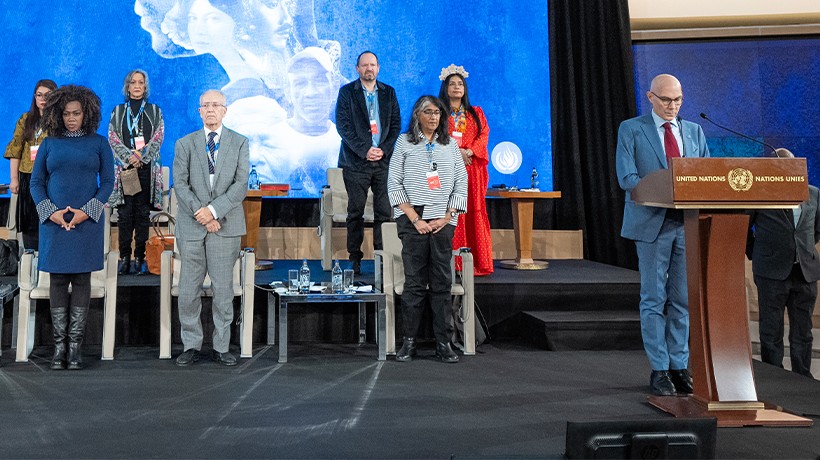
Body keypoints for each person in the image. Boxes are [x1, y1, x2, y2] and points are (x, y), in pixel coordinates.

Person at [615, 74, 709, 396]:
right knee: (654, 299)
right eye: (667, 100)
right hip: (652, 222)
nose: (673, 106)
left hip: (687, 223)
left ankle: (679, 366)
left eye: (679, 100)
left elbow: (706, 176)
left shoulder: (694, 131)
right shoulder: (631, 129)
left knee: (682, 300)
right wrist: (665, 186)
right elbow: (627, 177)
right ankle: (659, 369)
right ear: (650, 97)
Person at [30, 85, 115, 370]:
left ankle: (75, 349)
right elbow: (36, 183)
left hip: (86, 222)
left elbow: (108, 183)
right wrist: (50, 213)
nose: (71, 118)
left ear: (86, 113)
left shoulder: (99, 143)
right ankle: (59, 349)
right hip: (53, 222)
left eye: (76, 113)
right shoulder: (49, 143)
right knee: (56, 279)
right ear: (57, 114)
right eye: (66, 113)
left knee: (81, 279)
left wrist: (86, 213)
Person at [387, 95, 467, 363]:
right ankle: (408, 342)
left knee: (442, 282)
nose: (434, 117)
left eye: (437, 113)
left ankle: (443, 343)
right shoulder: (404, 142)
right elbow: (394, 183)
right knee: (415, 282)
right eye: (428, 112)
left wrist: (447, 217)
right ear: (417, 115)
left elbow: (460, 182)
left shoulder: (450, 145)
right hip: (413, 218)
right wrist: (414, 218)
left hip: (443, 219)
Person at [173, 89, 249, 367]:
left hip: (225, 226)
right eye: (205, 105)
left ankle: (221, 346)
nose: (210, 110)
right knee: (189, 291)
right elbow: (180, 184)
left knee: (223, 290)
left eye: (216, 105)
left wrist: (214, 211)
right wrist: (202, 214)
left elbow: (241, 185)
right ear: (199, 111)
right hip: (193, 227)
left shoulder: (240, 143)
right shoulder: (185, 143)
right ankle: (191, 345)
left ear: (225, 110)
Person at [747, 149, 820, 378]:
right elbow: (743, 230)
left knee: (803, 331)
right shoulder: (759, 194)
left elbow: (816, 228)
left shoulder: (814, 194)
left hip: (805, 272)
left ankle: (802, 376)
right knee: (771, 329)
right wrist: (758, 254)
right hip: (771, 271)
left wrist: (801, 249)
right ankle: (774, 376)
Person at [336, 50, 401, 274]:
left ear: (378, 68)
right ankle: (354, 259)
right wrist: (365, 150)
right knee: (355, 212)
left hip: (383, 162)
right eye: (364, 65)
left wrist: (383, 149)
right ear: (357, 69)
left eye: (372, 65)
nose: (369, 69)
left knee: (384, 213)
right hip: (356, 162)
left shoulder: (388, 92)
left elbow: (395, 126)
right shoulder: (347, 93)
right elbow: (343, 126)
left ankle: (382, 259)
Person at [253, 47, 341, 196]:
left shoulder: (345, 142)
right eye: (300, 83)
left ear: (335, 86)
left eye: (320, 81)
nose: (311, 92)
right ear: (288, 91)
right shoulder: (268, 141)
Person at [108, 69, 165, 275]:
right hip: (126, 170)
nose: (137, 86)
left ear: (146, 86)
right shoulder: (118, 111)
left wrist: (141, 156)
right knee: (125, 215)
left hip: (146, 169)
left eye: (141, 82)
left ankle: (141, 257)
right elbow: (113, 137)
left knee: (142, 215)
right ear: (127, 86)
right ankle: (125, 257)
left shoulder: (155, 111)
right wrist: (129, 157)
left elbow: (158, 137)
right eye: (133, 82)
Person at [438, 64, 493, 276]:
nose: (456, 87)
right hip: (449, 170)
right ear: (445, 87)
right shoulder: (438, 112)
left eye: (460, 84)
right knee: (454, 214)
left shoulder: (476, 113)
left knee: (474, 211)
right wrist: (456, 152)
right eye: (452, 84)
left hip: (473, 170)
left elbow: (484, 135)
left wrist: (469, 151)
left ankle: (478, 262)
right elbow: (435, 138)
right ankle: (455, 263)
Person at [4, 79, 57, 251]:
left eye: (47, 96)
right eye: (39, 95)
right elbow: (15, 150)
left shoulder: (59, 121)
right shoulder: (25, 119)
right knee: (29, 222)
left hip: (51, 178)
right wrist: (14, 179)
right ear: (34, 97)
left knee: (49, 218)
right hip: (27, 177)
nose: (43, 99)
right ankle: (30, 258)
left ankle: (49, 259)